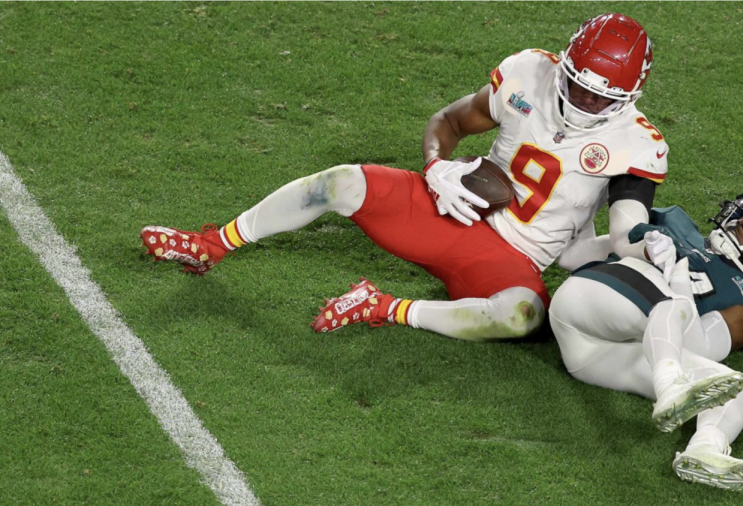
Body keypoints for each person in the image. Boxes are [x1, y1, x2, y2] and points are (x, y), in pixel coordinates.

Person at [141, 13, 670, 341]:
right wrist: (438, 167)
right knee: (342, 180)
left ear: (630, 97)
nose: (583, 100)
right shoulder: (529, 71)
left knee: (524, 316)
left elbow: (626, 229)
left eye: (603, 97)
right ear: (567, 60)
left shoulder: (636, 143)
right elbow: (449, 122)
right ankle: (212, 244)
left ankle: (382, 306)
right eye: (578, 85)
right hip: (452, 208)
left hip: (513, 257)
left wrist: (650, 248)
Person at [548, 192, 743, 492]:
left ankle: (704, 450)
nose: (737, 222)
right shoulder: (676, 225)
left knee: (741, 387)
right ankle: (669, 386)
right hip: (585, 300)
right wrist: (635, 244)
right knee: (672, 305)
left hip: (592, 356)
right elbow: (572, 255)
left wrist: (680, 279)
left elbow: (696, 346)